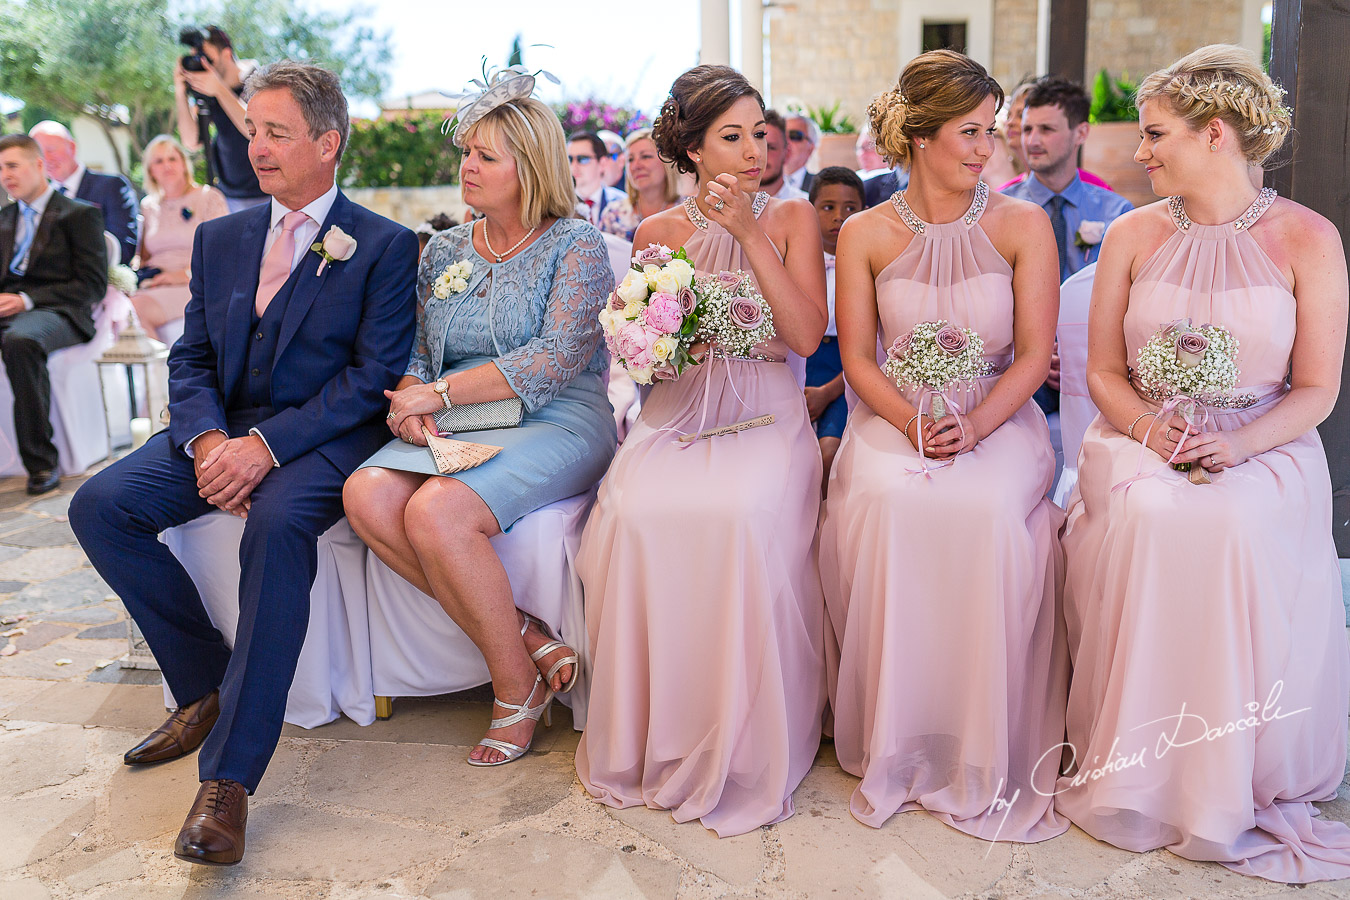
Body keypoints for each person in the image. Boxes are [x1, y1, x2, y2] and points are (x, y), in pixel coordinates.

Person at [68, 62, 418, 866]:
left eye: (276, 133)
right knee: (100, 506)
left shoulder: (386, 246)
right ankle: (205, 686)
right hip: (218, 431)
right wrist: (206, 442)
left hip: (319, 440)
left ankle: (228, 782)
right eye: (252, 130)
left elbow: (370, 379)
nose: (255, 147)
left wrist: (266, 449)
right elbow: (188, 355)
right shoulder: (219, 235)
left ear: (328, 144)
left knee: (277, 522)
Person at [1055, 44, 1350, 882]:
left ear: (1214, 132)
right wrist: (1151, 432)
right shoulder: (1132, 234)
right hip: (1142, 439)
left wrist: (1241, 444)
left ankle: (1229, 769)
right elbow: (1105, 372)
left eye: (1155, 135)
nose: (1139, 153)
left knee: (1225, 522)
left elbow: (1317, 388)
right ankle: (1143, 762)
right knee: (1153, 514)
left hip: (1265, 441)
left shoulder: (1308, 238)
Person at [819, 50, 1067, 841]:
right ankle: (901, 728)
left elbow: (1032, 356)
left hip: (998, 414)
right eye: (970, 131)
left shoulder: (1023, 224)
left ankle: (980, 734)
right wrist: (912, 422)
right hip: (896, 415)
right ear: (920, 137)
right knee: (892, 504)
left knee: (986, 512)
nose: (986, 147)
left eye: (990, 130)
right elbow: (858, 357)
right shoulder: (864, 232)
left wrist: (977, 424)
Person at [576, 64, 829, 837]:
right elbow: (646, 358)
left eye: (760, 132)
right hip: (681, 411)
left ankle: (746, 738)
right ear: (690, 149)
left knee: (740, 516)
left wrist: (749, 232)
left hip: (766, 411)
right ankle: (664, 729)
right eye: (732, 137)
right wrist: (652, 334)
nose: (755, 150)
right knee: (632, 512)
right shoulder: (657, 234)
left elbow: (807, 338)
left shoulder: (789, 220)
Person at [343, 77, 617, 768]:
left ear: (531, 167)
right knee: (365, 494)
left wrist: (436, 394)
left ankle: (514, 686)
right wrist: (409, 404)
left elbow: (555, 361)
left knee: (436, 512)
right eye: (466, 152)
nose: (467, 166)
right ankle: (528, 635)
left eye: (486, 156)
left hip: (558, 418)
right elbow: (415, 354)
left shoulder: (576, 246)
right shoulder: (444, 252)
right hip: (459, 416)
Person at [0, 134, 106, 495]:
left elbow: (92, 286)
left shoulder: (80, 214)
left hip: (59, 311)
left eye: (12, 165)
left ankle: (41, 462)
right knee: (17, 334)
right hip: (9, 306)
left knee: (20, 340)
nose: (5, 175)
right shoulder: (4, 218)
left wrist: (27, 299)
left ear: (38, 165)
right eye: (0, 168)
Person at [1000, 76, 1133, 282]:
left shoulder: (1116, 213)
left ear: (1080, 133)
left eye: (1046, 129)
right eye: (1027, 129)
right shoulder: (999, 210)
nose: (1032, 141)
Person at [131, 135, 228, 346]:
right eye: (158, 161)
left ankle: (162, 376)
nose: (166, 165)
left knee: (135, 310)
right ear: (151, 172)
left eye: (172, 159)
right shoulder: (148, 206)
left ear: (184, 163)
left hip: (195, 283)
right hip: (156, 282)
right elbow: (142, 257)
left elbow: (224, 255)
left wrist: (183, 275)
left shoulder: (208, 198)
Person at [805, 166, 864, 494]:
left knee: (829, 453)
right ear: (809, 210)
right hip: (802, 365)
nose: (839, 217)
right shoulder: (796, 262)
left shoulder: (868, 266)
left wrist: (828, 392)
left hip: (844, 374)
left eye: (850, 208)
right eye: (827, 207)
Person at [174, 25, 268, 212]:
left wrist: (219, 90)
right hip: (229, 198)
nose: (204, 66)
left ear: (226, 54)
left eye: (208, 59)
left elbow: (257, 131)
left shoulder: (259, 80)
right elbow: (191, 142)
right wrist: (180, 91)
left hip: (268, 195)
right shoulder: (209, 92)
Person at [28, 121, 140, 267]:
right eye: (39, 154)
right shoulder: (38, 197)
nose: (46, 159)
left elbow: (123, 248)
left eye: (51, 149)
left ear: (72, 147)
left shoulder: (112, 186)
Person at [997, 76, 1114, 194]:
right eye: (1008, 115)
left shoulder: (1101, 196)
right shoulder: (1005, 195)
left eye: (1020, 115)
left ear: (1081, 133)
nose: (1010, 122)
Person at [597, 128, 681, 241]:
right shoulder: (612, 214)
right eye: (630, 159)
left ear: (666, 161)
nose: (636, 166)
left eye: (645, 156)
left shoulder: (688, 211)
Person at [569, 131, 625, 227]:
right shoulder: (559, 206)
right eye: (569, 159)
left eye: (582, 159)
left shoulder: (623, 204)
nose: (574, 166)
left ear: (602, 163)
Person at [760, 109, 807, 200]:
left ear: (787, 153)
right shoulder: (728, 204)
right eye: (757, 147)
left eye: (770, 148)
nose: (761, 156)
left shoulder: (806, 204)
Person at [785, 111, 819, 193]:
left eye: (794, 136)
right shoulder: (758, 184)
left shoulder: (820, 187)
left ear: (811, 148)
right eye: (781, 135)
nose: (785, 141)